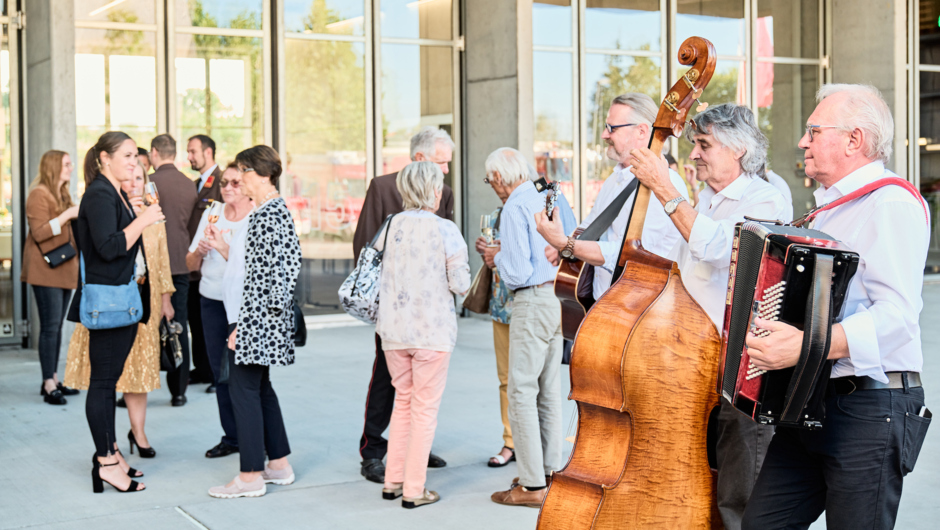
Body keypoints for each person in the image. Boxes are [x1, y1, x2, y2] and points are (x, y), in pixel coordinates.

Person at [741, 85, 931, 530]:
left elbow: (898, 318)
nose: (803, 142)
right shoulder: (826, 209)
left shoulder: (892, 203)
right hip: (812, 400)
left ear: (854, 140)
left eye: (813, 130)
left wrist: (806, 346)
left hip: (871, 406)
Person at [627, 104, 791, 530]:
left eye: (704, 145)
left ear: (737, 149)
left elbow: (720, 249)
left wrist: (665, 188)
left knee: (741, 490)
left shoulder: (765, 198)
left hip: (741, 365)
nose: (694, 154)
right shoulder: (705, 198)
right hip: (695, 360)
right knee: (702, 476)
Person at [353, 127, 456, 484]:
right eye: (441, 163)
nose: (445, 171)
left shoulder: (446, 194)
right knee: (384, 378)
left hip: (427, 315)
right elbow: (365, 248)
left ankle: (415, 450)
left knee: (422, 386)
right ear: (419, 158)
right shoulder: (382, 187)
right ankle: (373, 450)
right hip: (393, 311)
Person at [66, 131, 164, 493]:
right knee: (104, 384)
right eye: (126, 155)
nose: (134, 162)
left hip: (121, 300)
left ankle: (112, 454)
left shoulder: (114, 193)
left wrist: (136, 214)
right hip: (109, 303)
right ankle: (106, 462)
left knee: (108, 383)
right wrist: (144, 219)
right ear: (104, 159)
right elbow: (108, 248)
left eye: (135, 157)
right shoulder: (99, 194)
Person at [484, 147, 577, 508]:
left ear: (499, 177)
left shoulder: (514, 206)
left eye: (490, 179)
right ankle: (550, 472)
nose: (492, 185)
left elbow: (519, 270)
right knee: (549, 389)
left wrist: (497, 258)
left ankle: (532, 484)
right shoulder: (552, 193)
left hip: (532, 299)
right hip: (560, 297)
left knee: (521, 391)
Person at [374, 161, 470, 508]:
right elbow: (460, 284)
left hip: (394, 331)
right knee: (424, 410)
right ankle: (415, 489)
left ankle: (393, 480)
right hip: (432, 332)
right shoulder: (445, 230)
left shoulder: (391, 225)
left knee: (403, 402)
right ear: (432, 190)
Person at [208, 145, 300, 499]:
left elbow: (281, 274)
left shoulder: (268, 214)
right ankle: (278, 464)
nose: (238, 178)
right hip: (258, 320)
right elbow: (258, 271)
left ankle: (249, 476)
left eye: (244, 171)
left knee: (243, 392)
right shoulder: (269, 211)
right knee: (259, 390)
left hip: (254, 322)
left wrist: (246, 326)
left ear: (261, 174)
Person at [535, 93, 689, 301]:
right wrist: (566, 244)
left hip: (638, 311)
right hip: (604, 305)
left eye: (612, 128)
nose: (604, 135)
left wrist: (566, 244)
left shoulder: (664, 185)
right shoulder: (615, 179)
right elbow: (590, 229)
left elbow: (633, 257)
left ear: (642, 131)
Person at [186, 163, 253, 459]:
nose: (227, 188)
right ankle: (233, 437)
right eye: (224, 182)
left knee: (246, 374)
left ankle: (253, 437)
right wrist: (200, 251)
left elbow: (254, 269)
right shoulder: (211, 212)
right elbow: (190, 264)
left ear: (248, 186)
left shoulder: (255, 217)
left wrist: (224, 247)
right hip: (211, 300)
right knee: (219, 373)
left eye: (235, 183)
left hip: (241, 306)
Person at [22, 150, 80, 405]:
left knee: (56, 327)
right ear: (54, 166)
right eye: (67, 164)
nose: (71, 167)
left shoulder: (62, 194)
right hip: (45, 270)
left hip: (64, 267)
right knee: (49, 327)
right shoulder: (39, 194)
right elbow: (40, 231)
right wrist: (68, 214)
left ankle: (53, 378)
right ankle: (48, 384)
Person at [149, 133, 198, 406]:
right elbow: (191, 227)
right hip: (180, 263)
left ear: (155, 153)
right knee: (179, 327)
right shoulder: (189, 185)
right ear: (175, 154)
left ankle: (138, 386)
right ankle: (178, 391)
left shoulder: (148, 183)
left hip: (153, 265)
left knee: (145, 328)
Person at [186, 134, 223, 390]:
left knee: (212, 326)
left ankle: (215, 373)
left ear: (207, 152)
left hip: (214, 263)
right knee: (196, 323)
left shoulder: (220, 182)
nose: (189, 156)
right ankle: (202, 368)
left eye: (192, 151)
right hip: (196, 261)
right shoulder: (196, 184)